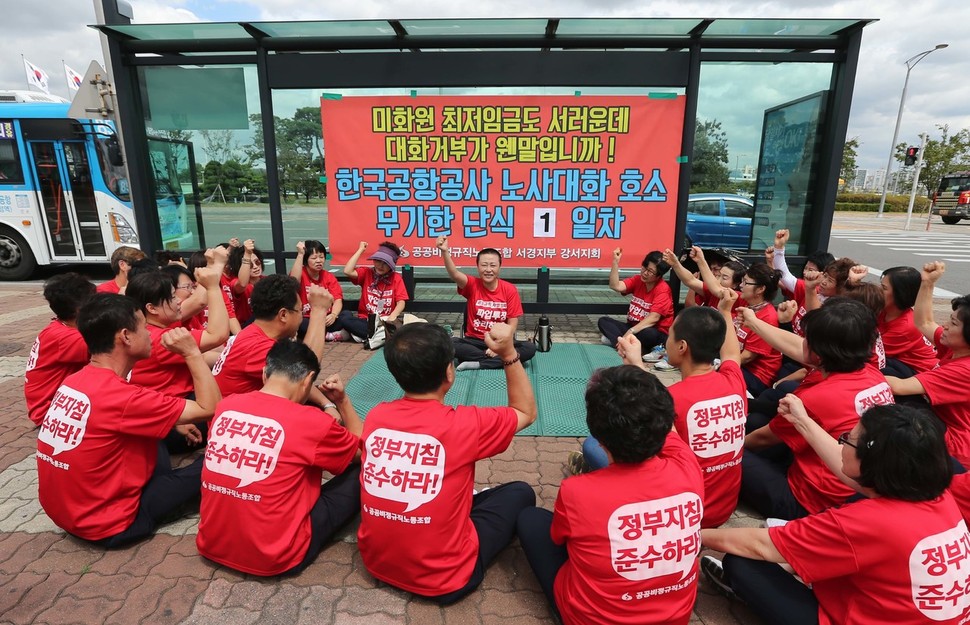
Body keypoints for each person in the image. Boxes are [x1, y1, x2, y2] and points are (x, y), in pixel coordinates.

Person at [701, 402, 970, 625]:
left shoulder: (868, 522)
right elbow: (850, 472)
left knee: (743, 563)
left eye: (847, 441)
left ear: (874, 462)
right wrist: (802, 420)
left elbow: (761, 546)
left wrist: (694, 535)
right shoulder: (934, 494)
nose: (841, 446)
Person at [357, 322, 537, 604]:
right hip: (447, 579)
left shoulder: (376, 416)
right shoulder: (464, 424)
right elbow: (525, 411)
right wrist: (509, 354)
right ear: (449, 373)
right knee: (520, 493)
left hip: (377, 565)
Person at [516, 365, 704, 625]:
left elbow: (558, 539)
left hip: (589, 617)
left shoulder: (577, 491)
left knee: (531, 519)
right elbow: (667, 427)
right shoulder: (688, 467)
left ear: (597, 433)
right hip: (674, 618)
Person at [36, 293, 219, 546]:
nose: (150, 335)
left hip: (67, 512)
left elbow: (122, 410)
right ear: (125, 336)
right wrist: (191, 353)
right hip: (110, 525)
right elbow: (210, 407)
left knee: (159, 433)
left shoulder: (74, 380)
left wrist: (171, 419)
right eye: (145, 327)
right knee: (219, 461)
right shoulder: (121, 396)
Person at [574, 288, 745, 528]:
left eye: (671, 335)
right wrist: (725, 311)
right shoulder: (734, 381)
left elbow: (652, 402)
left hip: (684, 510)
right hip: (723, 510)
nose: (667, 340)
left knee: (594, 444)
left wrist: (636, 362)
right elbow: (731, 352)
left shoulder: (675, 398)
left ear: (682, 347)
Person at [197, 340, 363, 576]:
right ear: (308, 380)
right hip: (277, 556)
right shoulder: (311, 421)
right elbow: (362, 452)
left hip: (212, 544)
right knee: (364, 470)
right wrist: (342, 401)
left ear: (265, 373)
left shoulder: (226, 406)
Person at [740, 297, 894, 520]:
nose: (801, 342)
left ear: (818, 353)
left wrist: (727, 447)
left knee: (727, 453)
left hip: (808, 501)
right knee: (756, 423)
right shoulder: (871, 373)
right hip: (853, 488)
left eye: (807, 339)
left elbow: (762, 439)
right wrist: (754, 322)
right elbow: (795, 346)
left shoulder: (818, 397)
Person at [885, 261, 970, 465]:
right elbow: (924, 322)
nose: (945, 325)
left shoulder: (965, 369)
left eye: (953, 323)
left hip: (953, 445)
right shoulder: (956, 348)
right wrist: (927, 283)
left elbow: (898, 386)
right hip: (937, 416)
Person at [212, 275, 337, 413]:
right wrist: (319, 311)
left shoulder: (252, 333)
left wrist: (326, 404)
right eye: (300, 310)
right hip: (241, 426)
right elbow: (305, 368)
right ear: (283, 315)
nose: (302, 316)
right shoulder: (257, 346)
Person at [126, 265, 229, 400]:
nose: (179, 301)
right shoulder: (159, 339)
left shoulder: (150, 326)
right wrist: (213, 288)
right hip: (173, 407)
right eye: (173, 297)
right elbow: (218, 335)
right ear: (152, 308)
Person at [436, 236, 537, 370]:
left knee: (529, 348)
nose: (488, 269)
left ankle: (478, 363)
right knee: (449, 343)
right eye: (484, 265)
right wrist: (444, 252)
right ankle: (501, 359)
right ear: (477, 266)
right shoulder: (472, 285)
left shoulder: (509, 289)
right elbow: (454, 274)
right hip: (475, 341)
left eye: (493, 265)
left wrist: (499, 347)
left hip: (501, 341)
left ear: (499, 267)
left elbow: (512, 324)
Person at [24, 273, 97, 426]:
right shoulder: (65, 337)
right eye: (95, 301)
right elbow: (116, 347)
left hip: (62, 403)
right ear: (79, 309)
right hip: (51, 412)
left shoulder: (61, 327)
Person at [597, 248, 674, 350]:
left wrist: (630, 332)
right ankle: (628, 345)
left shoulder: (663, 289)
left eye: (650, 271)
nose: (645, 273)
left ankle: (621, 342)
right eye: (644, 267)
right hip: (634, 327)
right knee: (604, 321)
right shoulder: (638, 280)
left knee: (648, 334)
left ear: (659, 276)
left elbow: (653, 318)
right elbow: (615, 286)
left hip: (654, 331)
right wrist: (615, 262)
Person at [878, 265, 940, 377]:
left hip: (918, 372)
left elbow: (874, 352)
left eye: (884, 288)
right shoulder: (885, 310)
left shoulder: (905, 327)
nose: (878, 290)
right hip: (900, 363)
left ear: (900, 294)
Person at [342, 240, 409, 343]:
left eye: (385, 263)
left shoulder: (396, 278)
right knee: (345, 317)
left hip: (384, 321)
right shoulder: (367, 273)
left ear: (391, 265)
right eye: (378, 260)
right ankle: (376, 336)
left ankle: (369, 336)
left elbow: (401, 301)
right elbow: (347, 271)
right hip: (365, 321)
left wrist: (392, 317)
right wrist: (360, 250)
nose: (380, 265)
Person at [732, 261, 783, 396]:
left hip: (757, 376)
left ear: (760, 289)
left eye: (746, 283)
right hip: (741, 364)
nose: (741, 286)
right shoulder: (747, 302)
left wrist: (723, 365)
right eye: (742, 281)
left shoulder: (768, 317)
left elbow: (747, 357)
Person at [290, 240, 349, 341]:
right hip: (308, 318)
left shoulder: (329, 277)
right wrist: (300, 254)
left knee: (346, 315)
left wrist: (333, 315)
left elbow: (338, 299)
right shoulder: (301, 274)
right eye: (314, 258)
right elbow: (293, 281)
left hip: (326, 318)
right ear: (305, 260)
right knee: (300, 323)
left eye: (321, 257)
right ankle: (328, 336)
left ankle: (322, 334)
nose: (318, 261)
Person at [227, 239, 265, 328]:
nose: (256, 267)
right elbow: (242, 284)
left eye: (257, 262)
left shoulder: (266, 280)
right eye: (250, 265)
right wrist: (247, 255)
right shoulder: (235, 283)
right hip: (244, 327)